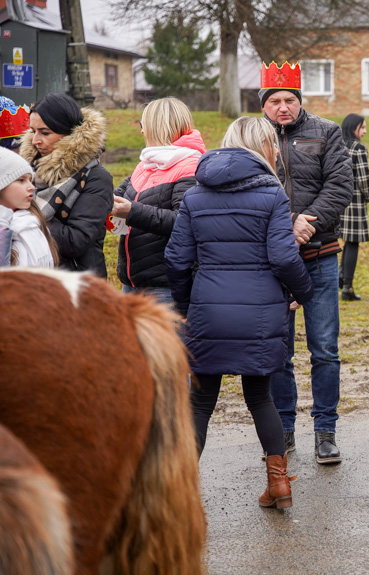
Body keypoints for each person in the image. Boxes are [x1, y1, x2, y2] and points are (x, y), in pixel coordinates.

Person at [164, 116, 315, 509]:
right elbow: (283, 257)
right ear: (265, 147)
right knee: (261, 397)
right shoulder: (272, 195)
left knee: (200, 402)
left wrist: (186, 305)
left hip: (208, 309)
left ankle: (182, 494)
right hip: (261, 311)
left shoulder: (196, 195)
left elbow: (177, 260)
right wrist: (303, 292)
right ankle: (279, 484)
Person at [258, 61, 353, 464]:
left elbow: (340, 185)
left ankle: (325, 430)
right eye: (275, 100)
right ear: (263, 104)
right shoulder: (252, 136)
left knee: (324, 348)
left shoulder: (326, 132)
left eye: (290, 100)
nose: (283, 107)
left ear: (300, 101)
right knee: (279, 349)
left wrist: (305, 223)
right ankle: (283, 429)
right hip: (271, 262)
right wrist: (281, 229)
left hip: (319, 256)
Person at [112, 97, 206, 303]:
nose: (142, 132)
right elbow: (118, 194)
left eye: (143, 125)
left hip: (165, 287)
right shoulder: (148, 163)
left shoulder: (190, 166)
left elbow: (185, 222)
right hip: (133, 282)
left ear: (158, 127)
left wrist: (131, 212)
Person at [18, 94, 113, 276]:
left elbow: (75, 241)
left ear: (70, 134)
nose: (35, 140)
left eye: (45, 133)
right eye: (33, 131)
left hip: (76, 286)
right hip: (30, 280)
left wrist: (23, 216)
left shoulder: (96, 177)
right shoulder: (26, 171)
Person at [0, 147, 57, 267]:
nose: (32, 187)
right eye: (21, 180)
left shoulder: (32, 221)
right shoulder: (3, 229)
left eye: (30, 180)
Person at [338, 113, 369, 301]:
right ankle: (347, 288)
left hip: (336, 200)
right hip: (355, 200)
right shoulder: (358, 148)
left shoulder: (337, 145)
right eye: (363, 127)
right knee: (353, 242)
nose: (365, 131)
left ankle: (341, 280)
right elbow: (363, 179)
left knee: (345, 241)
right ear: (353, 128)